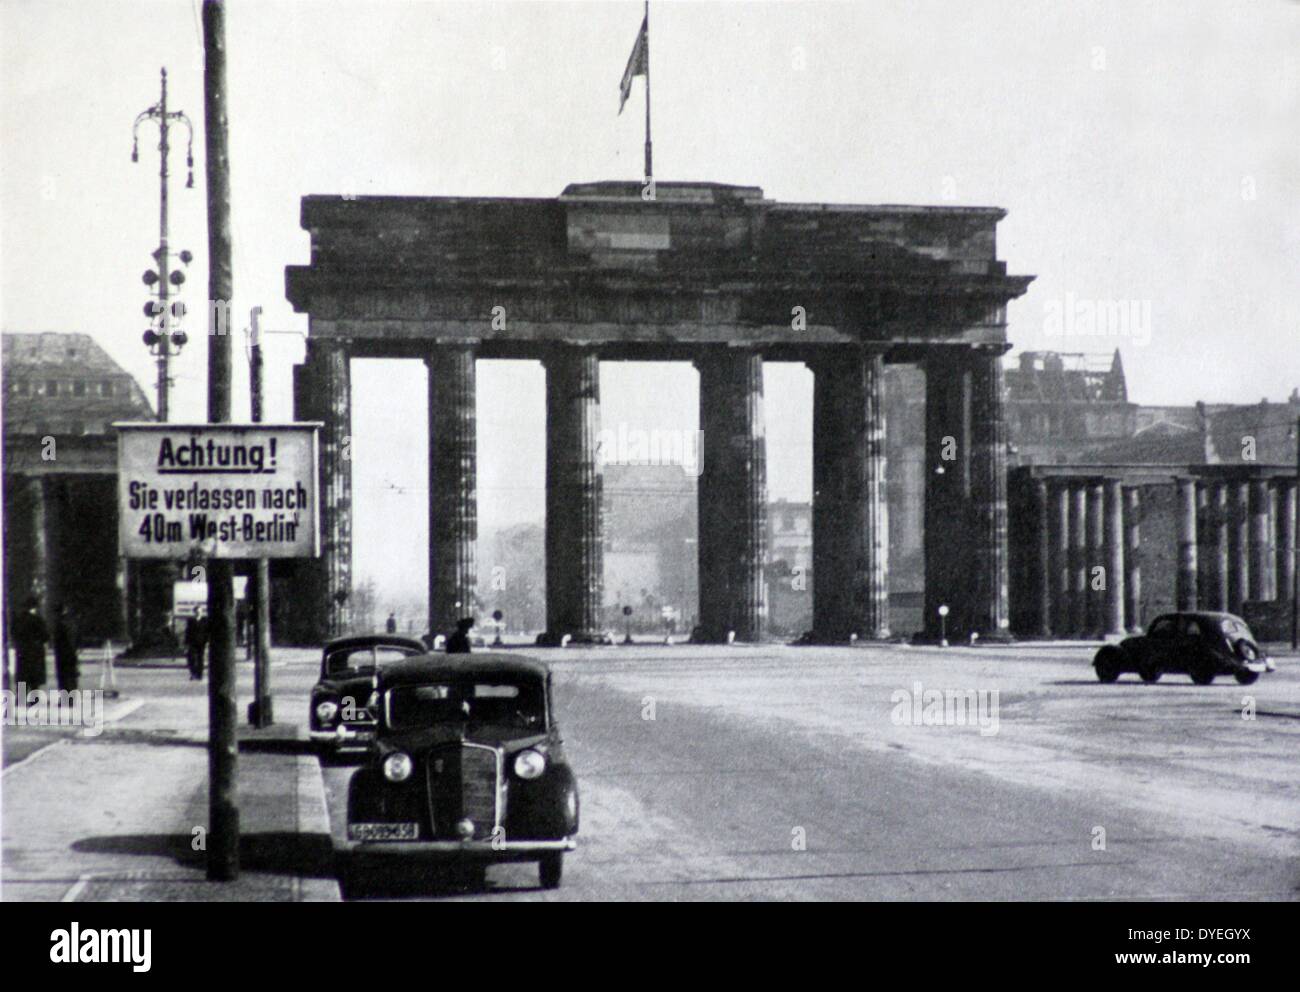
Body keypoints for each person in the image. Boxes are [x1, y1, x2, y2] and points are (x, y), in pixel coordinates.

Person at [13, 597, 49, 690]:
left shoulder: (18, 620)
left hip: (22, 652)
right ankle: (34, 701)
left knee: (22, 679)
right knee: (34, 682)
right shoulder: (37, 620)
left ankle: (21, 700)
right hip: (35, 653)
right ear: (34, 607)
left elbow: (14, 634)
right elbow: (45, 636)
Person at [53, 604, 79, 692]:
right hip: (72, 652)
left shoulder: (59, 624)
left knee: (63, 677)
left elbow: (57, 640)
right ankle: (72, 697)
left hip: (62, 653)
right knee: (71, 675)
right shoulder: (73, 622)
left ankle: (65, 698)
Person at [185, 607, 210, 680]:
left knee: (200, 659)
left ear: (202, 612)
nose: (198, 612)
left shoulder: (205, 620)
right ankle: (193, 673)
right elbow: (188, 632)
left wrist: (207, 642)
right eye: (196, 611)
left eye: (199, 611)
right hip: (192, 642)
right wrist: (186, 643)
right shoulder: (191, 621)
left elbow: (207, 632)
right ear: (194, 612)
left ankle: (199, 675)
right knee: (191, 658)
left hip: (202, 643)